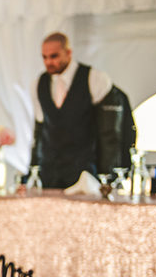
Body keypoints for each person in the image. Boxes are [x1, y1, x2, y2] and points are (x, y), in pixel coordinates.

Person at [31, 32, 118, 188]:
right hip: (49, 172)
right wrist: (32, 170)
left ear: (68, 53)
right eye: (44, 57)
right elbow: (39, 128)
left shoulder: (94, 78)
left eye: (54, 56)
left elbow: (108, 133)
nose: (48, 62)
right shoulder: (38, 83)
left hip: (83, 172)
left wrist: (107, 175)